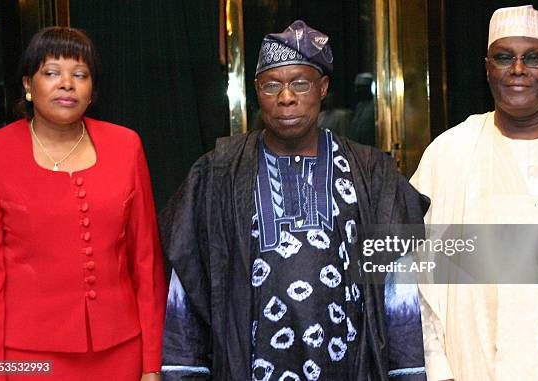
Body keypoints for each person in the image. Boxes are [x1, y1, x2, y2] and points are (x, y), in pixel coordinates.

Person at [161, 20, 429, 381]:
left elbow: (398, 285)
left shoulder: (370, 173)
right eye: (273, 85)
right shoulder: (218, 173)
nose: (286, 97)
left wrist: (409, 372)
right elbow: (189, 284)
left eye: (300, 84)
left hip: (349, 369)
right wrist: (182, 371)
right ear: (257, 90)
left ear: (323, 87)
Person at [411, 5, 538, 381]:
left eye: (533, 58)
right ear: (487, 68)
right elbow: (414, 271)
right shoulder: (450, 153)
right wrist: (438, 366)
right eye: (504, 58)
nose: (518, 70)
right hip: (474, 364)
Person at [0, 27, 167, 381]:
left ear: (92, 91)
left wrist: (152, 363)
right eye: (51, 72)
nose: (67, 83)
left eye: (80, 74)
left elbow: (146, 262)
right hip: (28, 358)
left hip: (121, 350)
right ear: (28, 85)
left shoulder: (126, 146)